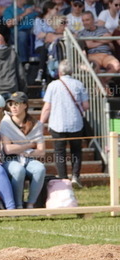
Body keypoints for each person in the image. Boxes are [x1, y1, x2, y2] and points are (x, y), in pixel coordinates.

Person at [40, 60, 88, 188]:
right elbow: (86, 106)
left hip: (57, 124)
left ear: (59, 72)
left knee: (59, 153)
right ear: (71, 72)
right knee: (76, 151)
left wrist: (41, 123)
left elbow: (47, 108)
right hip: (75, 123)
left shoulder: (53, 85)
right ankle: (75, 176)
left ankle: (63, 179)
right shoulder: (79, 84)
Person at [0, 91, 46, 209]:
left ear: (25, 105)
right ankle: (18, 204)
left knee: (40, 168)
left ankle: (30, 204)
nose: (13, 107)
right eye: (11, 104)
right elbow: (8, 149)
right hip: (10, 159)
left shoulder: (36, 124)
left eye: (17, 103)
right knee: (18, 170)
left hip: (28, 158)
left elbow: (41, 151)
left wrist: (24, 152)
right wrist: (29, 145)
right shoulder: (5, 122)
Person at [79, 11, 120, 76]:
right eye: (83, 21)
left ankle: (103, 81)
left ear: (93, 20)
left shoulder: (102, 29)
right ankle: (103, 82)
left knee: (116, 66)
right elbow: (89, 45)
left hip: (106, 55)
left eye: (87, 20)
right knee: (94, 68)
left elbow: (109, 39)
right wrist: (102, 40)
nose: (85, 23)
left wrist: (93, 39)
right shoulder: (81, 33)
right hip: (93, 56)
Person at [32, 1, 60, 82]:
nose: (57, 11)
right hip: (41, 45)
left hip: (53, 45)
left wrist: (47, 35)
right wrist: (51, 35)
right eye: (56, 9)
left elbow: (59, 31)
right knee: (45, 48)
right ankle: (41, 71)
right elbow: (39, 35)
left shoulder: (56, 21)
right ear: (49, 9)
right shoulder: (39, 20)